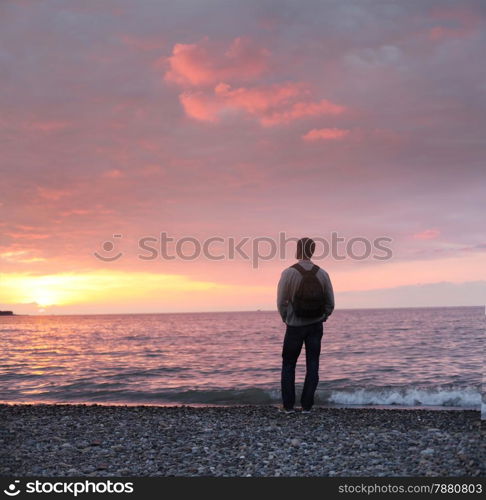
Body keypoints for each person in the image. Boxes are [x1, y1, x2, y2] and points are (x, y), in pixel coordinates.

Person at [277, 237, 334, 413]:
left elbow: (281, 302)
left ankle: (288, 407)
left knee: (289, 365)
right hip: (315, 326)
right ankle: (307, 406)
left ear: (297, 250)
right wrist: (323, 316)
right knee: (313, 363)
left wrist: (286, 318)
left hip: (294, 326)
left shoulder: (288, 273)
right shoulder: (322, 273)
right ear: (313, 251)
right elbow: (330, 303)